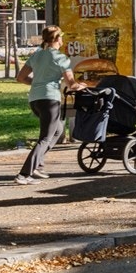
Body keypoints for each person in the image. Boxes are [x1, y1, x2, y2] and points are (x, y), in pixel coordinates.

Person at [15, 26, 89, 185]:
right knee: (45, 138)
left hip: (35, 100)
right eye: (61, 37)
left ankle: (37, 164)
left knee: (58, 130)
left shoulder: (37, 55)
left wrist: (37, 84)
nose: (62, 39)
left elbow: (20, 77)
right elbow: (71, 84)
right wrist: (84, 86)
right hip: (50, 100)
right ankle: (24, 174)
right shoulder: (61, 58)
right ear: (57, 39)